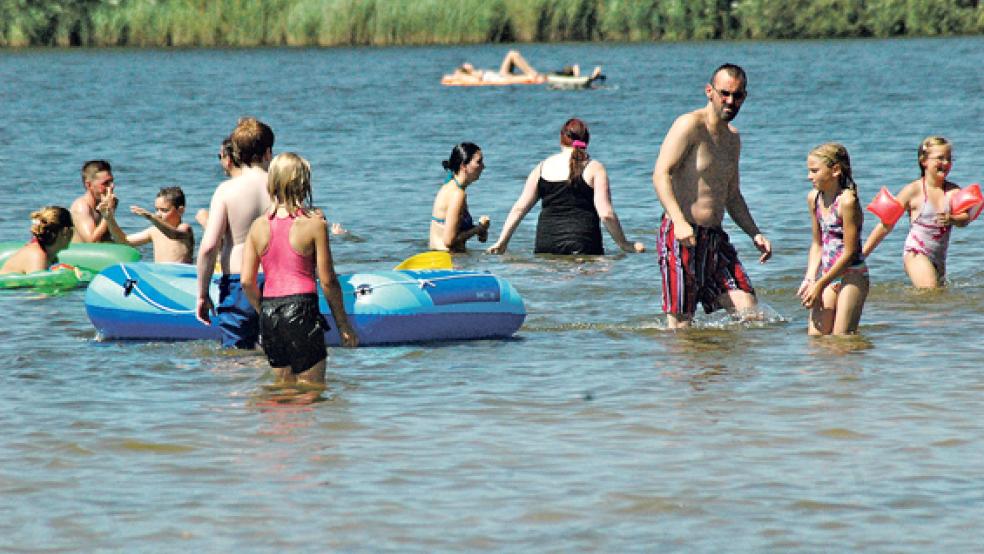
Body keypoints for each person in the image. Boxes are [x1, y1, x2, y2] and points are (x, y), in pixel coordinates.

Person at [651, 63, 772, 329]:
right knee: (682, 327)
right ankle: (687, 370)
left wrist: (755, 233)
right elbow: (660, 174)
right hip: (680, 235)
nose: (730, 101)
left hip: (714, 238)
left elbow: (732, 194)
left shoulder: (732, 139)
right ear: (709, 91)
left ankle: (720, 368)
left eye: (737, 95)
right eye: (724, 93)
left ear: (745, 97)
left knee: (750, 312)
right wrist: (679, 221)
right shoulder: (690, 126)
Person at [241, 152, 358, 387]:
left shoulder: (258, 226)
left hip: (270, 311)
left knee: (283, 387)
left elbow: (246, 281)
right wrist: (344, 326)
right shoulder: (314, 225)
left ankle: (273, 425)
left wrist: (263, 309)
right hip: (301, 307)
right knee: (311, 388)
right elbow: (328, 281)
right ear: (303, 183)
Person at [487, 118, 644, 256]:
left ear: (561, 139)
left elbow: (519, 209)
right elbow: (606, 214)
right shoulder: (595, 168)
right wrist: (624, 244)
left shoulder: (542, 167)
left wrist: (501, 243)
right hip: (584, 246)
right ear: (587, 141)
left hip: (546, 246)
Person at [196, 117, 275, 348]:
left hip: (238, 282)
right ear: (268, 152)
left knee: (236, 357)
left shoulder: (227, 190)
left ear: (237, 153)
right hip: (278, 280)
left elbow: (209, 246)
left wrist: (202, 293)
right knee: (276, 352)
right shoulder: (282, 188)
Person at [862, 136, 970, 288]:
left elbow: (965, 219)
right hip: (916, 252)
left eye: (949, 159)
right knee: (931, 292)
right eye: (940, 158)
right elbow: (886, 224)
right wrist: (861, 255)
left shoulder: (953, 191)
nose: (946, 163)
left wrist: (952, 218)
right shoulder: (913, 191)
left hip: (939, 257)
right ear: (924, 161)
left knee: (936, 300)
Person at [797, 143, 869, 335]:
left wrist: (820, 284)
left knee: (841, 340)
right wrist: (810, 278)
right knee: (816, 338)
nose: (809, 176)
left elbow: (850, 252)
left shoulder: (847, 201)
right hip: (827, 276)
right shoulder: (814, 199)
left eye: (814, 171)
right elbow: (817, 244)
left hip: (852, 274)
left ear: (835, 170)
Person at [99, 186, 195, 264]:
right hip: (161, 276)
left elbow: (173, 234)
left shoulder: (184, 228)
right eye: (157, 209)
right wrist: (109, 218)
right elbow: (124, 241)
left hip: (179, 277)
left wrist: (150, 217)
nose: (158, 214)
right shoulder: (154, 231)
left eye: (164, 210)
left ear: (180, 210)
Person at [429, 142, 491, 252]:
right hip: (449, 260)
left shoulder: (449, 185)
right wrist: (478, 229)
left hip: (438, 256)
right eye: (479, 162)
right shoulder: (458, 194)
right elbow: (449, 241)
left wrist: (480, 230)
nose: (483, 167)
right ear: (463, 166)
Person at [0, 206, 74, 274]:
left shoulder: (51, 256)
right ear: (65, 231)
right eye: (72, 229)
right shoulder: (37, 256)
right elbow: (38, 287)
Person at [71, 160, 116, 243]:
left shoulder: (104, 204)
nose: (112, 186)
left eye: (112, 181)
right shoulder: (81, 207)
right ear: (89, 185)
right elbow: (91, 241)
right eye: (106, 183)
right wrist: (109, 214)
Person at [446, 50, 545, 85]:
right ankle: (534, 75)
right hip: (502, 78)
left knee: (512, 54)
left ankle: (534, 73)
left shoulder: (473, 72)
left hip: (500, 74)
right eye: (465, 65)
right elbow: (450, 77)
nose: (467, 63)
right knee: (530, 77)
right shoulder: (467, 76)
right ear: (464, 70)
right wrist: (459, 74)